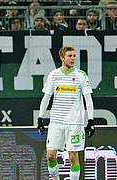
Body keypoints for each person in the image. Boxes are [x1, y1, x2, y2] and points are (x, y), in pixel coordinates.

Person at [37, 46, 95, 180]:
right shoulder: (54, 74)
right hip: (56, 121)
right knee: (50, 156)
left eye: (74, 56)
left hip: (75, 123)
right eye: (70, 56)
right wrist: (40, 118)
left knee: (73, 157)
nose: (73, 58)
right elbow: (46, 97)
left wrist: (90, 120)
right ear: (62, 58)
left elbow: (88, 98)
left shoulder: (81, 75)